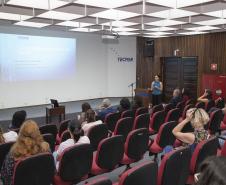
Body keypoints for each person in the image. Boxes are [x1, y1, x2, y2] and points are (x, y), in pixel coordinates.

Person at [0, 120, 49, 185]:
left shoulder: (13, 153)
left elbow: (5, 177)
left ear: (21, 134)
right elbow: (51, 171)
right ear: (38, 133)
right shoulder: (46, 148)